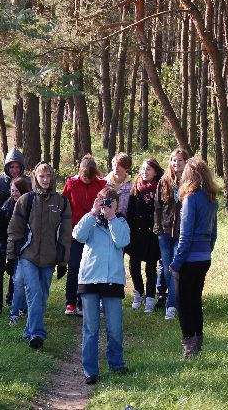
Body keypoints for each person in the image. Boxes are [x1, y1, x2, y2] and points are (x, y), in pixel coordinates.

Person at [7, 162, 72, 349]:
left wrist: (63, 261)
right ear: (35, 178)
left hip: (50, 258)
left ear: (52, 178)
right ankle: (37, 333)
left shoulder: (62, 202)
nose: (45, 180)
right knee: (34, 291)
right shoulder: (26, 200)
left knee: (42, 295)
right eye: (41, 176)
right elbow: (15, 230)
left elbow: (66, 234)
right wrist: (11, 258)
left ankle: (29, 330)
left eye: (48, 176)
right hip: (28, 255)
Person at [73, 187, 130, 384]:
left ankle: (116, 363)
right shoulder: (91, 221)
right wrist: (92, 213)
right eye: (103, 201)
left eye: (111, 202)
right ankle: (90, 370)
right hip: (90, 280)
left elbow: (122, 241)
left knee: (114, 327)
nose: (106, 205)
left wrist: (112, 217)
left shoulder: (121, 222)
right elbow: (78, 235)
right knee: (91, 328)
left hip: (113, 281)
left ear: (116, 203)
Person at [169, 158, 218, 358]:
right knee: (195, 301)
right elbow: (214, 233)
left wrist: (176, 262)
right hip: (204, 256)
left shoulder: (191, 198)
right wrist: (207, 250)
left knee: (184, 303)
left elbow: (185, 235)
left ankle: (189, 346)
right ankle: (198, 342)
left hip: (189, 258)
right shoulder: (211, 199)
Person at [62, 154, 107, 316]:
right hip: (75, 232)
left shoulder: (102, 184)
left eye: (90, 178)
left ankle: (85, 303)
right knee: (74, 266)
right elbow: (63, 204)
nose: (87, 180)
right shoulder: (72, 184)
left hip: (95, 234)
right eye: (84, 177)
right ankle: (71, 302)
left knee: (91, 268)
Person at [0, 149, 29, 314]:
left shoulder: (27, 181)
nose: (15, 170)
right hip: (1, 230)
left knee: (16, 266)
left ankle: (13, 298)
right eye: (11, 166)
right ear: (7, 167)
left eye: (17, 166)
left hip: (20, 232)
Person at [154, 148, 189, 320]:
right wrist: (157, 226)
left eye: (180, 160)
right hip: (165, 231)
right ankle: (173, 300)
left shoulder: (191, 181)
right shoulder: (164, 180)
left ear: (185, 162)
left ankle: (172, 305)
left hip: (182, 231)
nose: (176, 163)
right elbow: (158, 206)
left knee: (176, 268)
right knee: (167, 269)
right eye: (174, 160)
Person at [126, 158, 164, 313]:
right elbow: (130, 212)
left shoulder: (160, 189)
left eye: (148, 169)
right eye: (142, 169)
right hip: (136, 234)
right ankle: (138, 292)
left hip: (153, 235)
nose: (144, 172)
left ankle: (150, 297)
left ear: (155, 172)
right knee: (134, 266)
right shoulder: (136, 188)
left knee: (151, 268)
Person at [0, 177, 32, 325]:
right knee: (16, 279)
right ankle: (14, 309)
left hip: (28, 248)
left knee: (25, 280)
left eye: (17, 191)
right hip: (12, 247)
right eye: (12, 191)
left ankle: (23, 306)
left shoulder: (31, 205)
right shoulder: (5, 208)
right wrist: (5, 248)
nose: (14, 194)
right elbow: (0, 229)